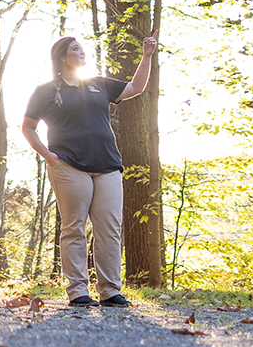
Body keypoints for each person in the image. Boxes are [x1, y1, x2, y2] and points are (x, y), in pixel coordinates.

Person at [21, 31, 157, 307]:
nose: (81, 52)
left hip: (107, 165)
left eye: (82, 48)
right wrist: (48, 156)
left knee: (109, 226)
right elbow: (28, 127)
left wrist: (146, 56)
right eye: (75, 48)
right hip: (69, 164)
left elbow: (135, 87)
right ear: (61, 57)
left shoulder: (98, 84)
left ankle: (110, 290)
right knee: (74, 227)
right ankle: (78, 291)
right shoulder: (45, 91)